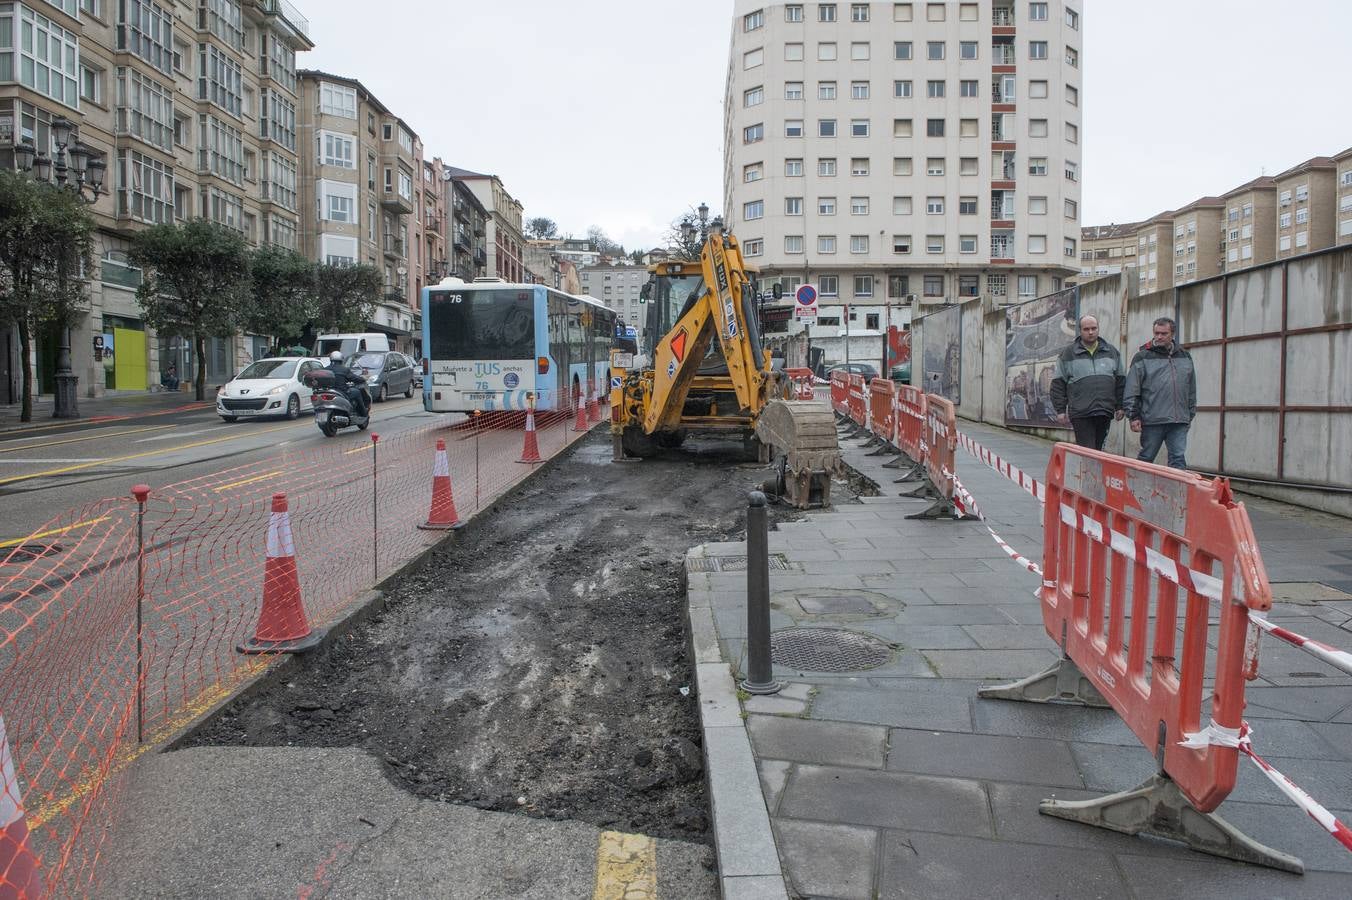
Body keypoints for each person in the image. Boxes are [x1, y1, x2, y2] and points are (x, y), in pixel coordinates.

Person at [1124, 316, 1196, 469]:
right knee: (1146, 458)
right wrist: (1133, 415)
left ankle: (1176, 492)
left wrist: (1190, 414)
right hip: (1152, 419)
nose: (1159, 337)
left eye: (1164, 333)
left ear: (1173, 334)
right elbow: (1132, 388)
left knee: (1178, 459)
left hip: (1179, 420)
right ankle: (1136, 489)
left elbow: (1191, 388)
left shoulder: (1185, 356)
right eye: (1156, 333)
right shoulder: (1142, 357)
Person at [1050, 314, 1125, 450]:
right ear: (1080, 331)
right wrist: (1060, 410)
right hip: (1081, 413)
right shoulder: (1068, 354)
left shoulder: (1112, 352)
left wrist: (1120, 406)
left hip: (1104, 410)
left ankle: (1091, 472)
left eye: (1093, 328)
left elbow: (1120, 381)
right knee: (1088, 451)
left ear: (1098, 329)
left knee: (1098, 451)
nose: (1090, 332)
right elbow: (1058, 384)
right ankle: (1089, 471)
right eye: (1086, 329)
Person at [326, 350, 369, 417]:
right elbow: (354, 378)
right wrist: (363, 378)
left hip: (329, 391)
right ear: (341, 359)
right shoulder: (344, 369)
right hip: (342, 392)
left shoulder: (326, 369)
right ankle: (363, 413)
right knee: (357, 392)